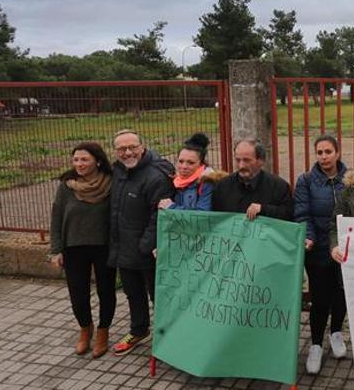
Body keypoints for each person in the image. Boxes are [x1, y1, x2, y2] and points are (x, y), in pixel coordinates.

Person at [108, 130, 175, 356]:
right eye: (121, 149)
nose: (127, 152)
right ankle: (138, 330)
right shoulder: (117, 172)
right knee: (132, 293)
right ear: (115, 152)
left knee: (159, 297)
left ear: (142, 147)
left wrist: (145, 246)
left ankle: (169, 338)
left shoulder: (155, 176)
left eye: (132, 147)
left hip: (148, 251)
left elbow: (159, 216)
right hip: (123, 248)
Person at [49, 142, 116, 358]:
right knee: (78, 294)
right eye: (76, 159)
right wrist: (56, 249)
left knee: (106, 291)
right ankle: (86, 329)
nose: (79, 164)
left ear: (97, 160)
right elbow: (56, 218)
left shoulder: (111, 183)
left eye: (84, 159)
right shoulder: (67, 185)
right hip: (73, 248)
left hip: (104, 246)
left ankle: (103, 331)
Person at [293, 135, 348, 374]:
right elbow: (303, 213)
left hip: (345, 250)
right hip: (318, 250)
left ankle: (336, 331)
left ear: (337, 152)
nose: (324, 156)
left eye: (328, 151)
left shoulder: (351, 179)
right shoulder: (306, 180)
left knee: (342, 295)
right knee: (320, 299)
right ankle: (315, 344)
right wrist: (310, 237)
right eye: (319, 152)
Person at [212, 138, 292, 220]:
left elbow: (288, 215)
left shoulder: (278, 187)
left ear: (261, 161)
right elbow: (215, 220)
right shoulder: (222, 187)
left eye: (247, 160)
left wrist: (263, 209)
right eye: (238, 160)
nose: (241, 166)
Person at [157, 133, 226, 212]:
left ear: (201, 164)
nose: (184, 166)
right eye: (181, 161)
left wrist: (172, 207)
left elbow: (202, 215)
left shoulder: (207, 183)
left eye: (191, 163)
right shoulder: (175, 181)